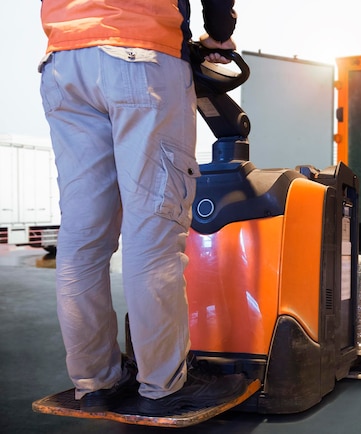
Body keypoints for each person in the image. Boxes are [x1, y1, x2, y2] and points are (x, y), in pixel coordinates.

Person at [39, 0, 246, 416]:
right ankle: (164, 386)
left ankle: (94, 383)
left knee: (83, 238)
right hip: (140, 52)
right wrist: (219, 32)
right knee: (153, 232)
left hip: (63, 60)